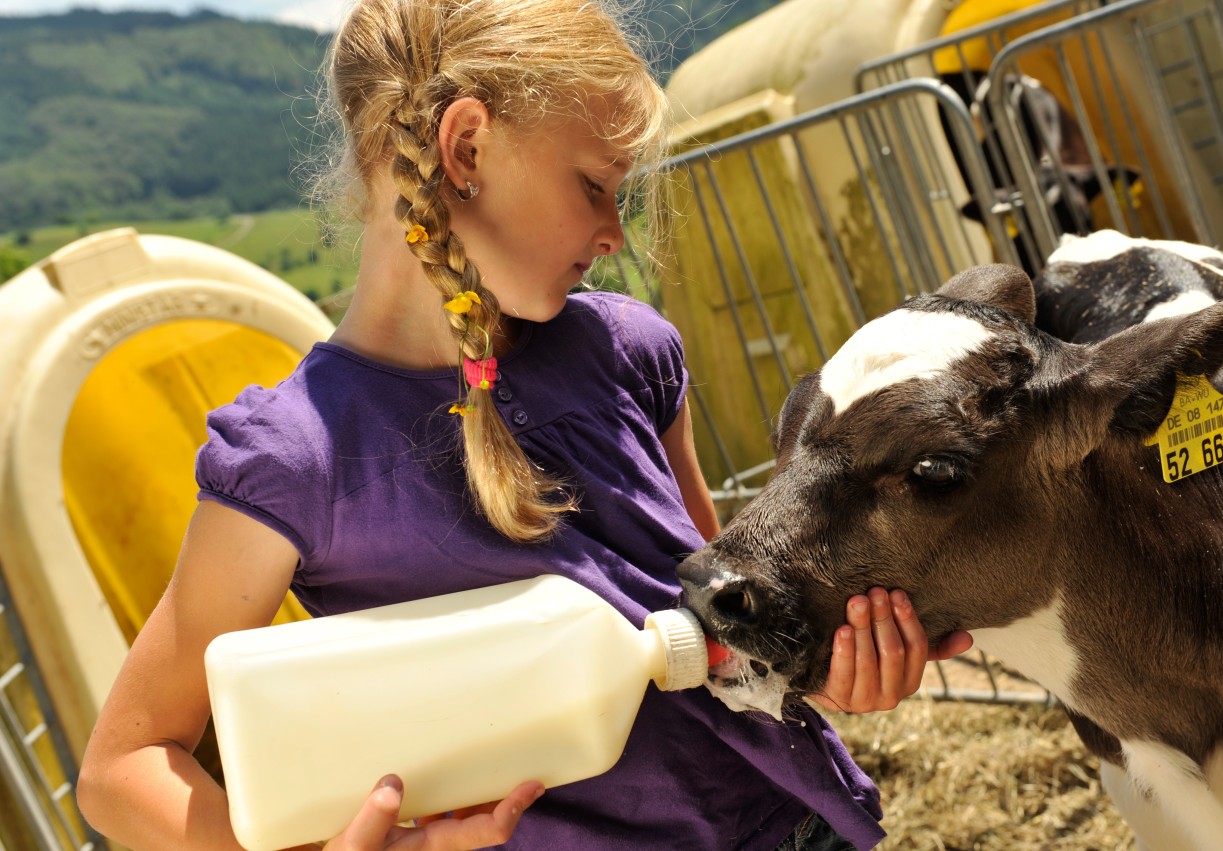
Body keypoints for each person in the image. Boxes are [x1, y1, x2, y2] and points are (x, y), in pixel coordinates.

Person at [75, 1, 972, 848]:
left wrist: (830, 665)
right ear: (465, 147)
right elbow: (122, 767)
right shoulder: (300, 458)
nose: (616, 231)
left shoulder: (630, 351)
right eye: (595, 185)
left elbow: (728, 639)